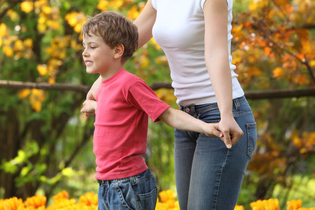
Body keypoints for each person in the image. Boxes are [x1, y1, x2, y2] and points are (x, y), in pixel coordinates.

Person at [84, 0, 257, 210]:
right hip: (188, 118)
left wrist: (227, 115)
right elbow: (126, 43)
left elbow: (217, 55)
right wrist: (99, 86)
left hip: (223, 117)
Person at [80, 11, 229, 210]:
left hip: (127, 184)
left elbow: (167, 113)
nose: (85, 53)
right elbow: (117, 112)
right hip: (107, 183)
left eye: (92, 46)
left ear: (117, 51)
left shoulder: (130, 84)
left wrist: (206, 127)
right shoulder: (105, 86)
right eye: (84, 47)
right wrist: (95, 106)